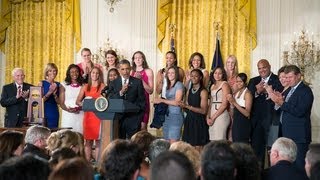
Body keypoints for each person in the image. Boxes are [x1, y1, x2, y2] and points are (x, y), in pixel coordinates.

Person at [271, 65, 313, 170]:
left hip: (299, 136)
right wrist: (279, 101)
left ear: (299, 76)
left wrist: (282, 103)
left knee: (299, 166)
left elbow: (300, 111)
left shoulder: (305, 91)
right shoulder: (289, 90)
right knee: (290, 167)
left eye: (290, 77)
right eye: (286, 77)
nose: (288, 80)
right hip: (288, 135)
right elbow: (283, 108)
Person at [247, 59, 283, 167]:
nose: (262, 70)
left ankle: (274, 174)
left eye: (264, 67)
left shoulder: (278, 79)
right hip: (257, 122)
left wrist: (268, 91)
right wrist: (257, 91)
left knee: (273, 150)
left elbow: (280, 97)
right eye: (259, 68)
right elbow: (247, 98)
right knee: (256, 151)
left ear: (270, 66)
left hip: (272, 121)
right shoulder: (253, 81)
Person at [109, 59, 146, 139]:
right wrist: (121, 92)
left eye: (127, 69)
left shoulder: (137, 82)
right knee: (119, 144)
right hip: (118, 120)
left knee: (134, 144)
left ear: (130, 69)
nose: (125, 72)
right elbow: (110, 99)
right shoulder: (113, 83)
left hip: (133, 119)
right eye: (122, 69)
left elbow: (142, 102)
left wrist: (138, 119)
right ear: (119, 70)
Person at [76, 67, 105, 161]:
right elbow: (78, 101)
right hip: (88, 116)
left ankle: (97, 164)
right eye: (93, 73)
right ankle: (87, 163)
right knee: (88, 141)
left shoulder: (103, 86)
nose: (95, 75)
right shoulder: (85, 86)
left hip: (98, 116)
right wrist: (85, 104)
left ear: (99, 75)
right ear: (90, 74)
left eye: (97, 73)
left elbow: (105, 101)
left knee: (98, 141)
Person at [154, 66, 184, 143]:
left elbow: (177, 102)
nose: (170, 74)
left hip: (175, 116)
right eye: (169, 73)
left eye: (172, 73)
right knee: (166, 142)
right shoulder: (168, 85)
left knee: (173, 143)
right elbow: (158, 91)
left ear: (176, 74)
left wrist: (161, 100)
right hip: (167, 116)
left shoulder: (179, 84)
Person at [181, 69, 209, 151]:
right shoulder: (189, 90)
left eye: (196, 76)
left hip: (199, 121)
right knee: (189, 147)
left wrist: (188, 106)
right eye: (192, 76)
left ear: (200, 77)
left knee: (198, 147)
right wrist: (182, 106)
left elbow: (203, 110)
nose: (193, 78)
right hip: (190, 120)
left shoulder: (203, 91)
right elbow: (186, 107)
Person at [131, 51, 154, 130]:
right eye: (135, 58)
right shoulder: (131, 71)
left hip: (144, 103)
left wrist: (141, 80)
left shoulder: (148, 71)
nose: (137, 60)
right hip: (133, 103)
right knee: (133, 128)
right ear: (133, 60)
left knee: (143, 128)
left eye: (140, 58)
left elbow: (150, 91)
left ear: (143, 59)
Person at [226, 73, 252, 143]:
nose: (238, 83)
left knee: (242, 146)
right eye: (237, 81)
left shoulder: (247, 94)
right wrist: (231, 104)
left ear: (245, 82)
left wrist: (234, 102)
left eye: (240, 81)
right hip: (236, 123)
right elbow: (232, 114)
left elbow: (247, 114)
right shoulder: (236, 93)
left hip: (243, 123)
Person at [207, 67, 231, 140]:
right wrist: (208, 117)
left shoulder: (225, 84)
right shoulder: (212, 86)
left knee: (220, 140)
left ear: (223, 74)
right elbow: (210, 103)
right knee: (212, 140)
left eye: (220, 73)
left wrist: (213, 118)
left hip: (221, 115)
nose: (217, 75)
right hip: (212, 114)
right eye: (215, 73)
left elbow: (224, 105)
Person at [59, 64, 84, 133]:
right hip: (68, 115)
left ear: (79, 73)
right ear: (69, 73)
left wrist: (79, 108)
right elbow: (61, 103)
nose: (74, 73)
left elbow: (85, 100)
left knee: (80, 134)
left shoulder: (83, 85)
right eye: (72, 72)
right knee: (67, 136)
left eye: (76, 71)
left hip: (81, 114)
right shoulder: (63, 84)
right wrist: (68, 110)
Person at [39, 63, 60, 128]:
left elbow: (59, 102)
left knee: (53, 132)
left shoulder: (58, 84)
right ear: (47, 72)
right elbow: (39, 101)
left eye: (54, 71)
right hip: (44, 110)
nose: (53, 73)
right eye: (50, 71)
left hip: (54, 111)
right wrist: (49, 92)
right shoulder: (41, 83)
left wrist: (55, 95)